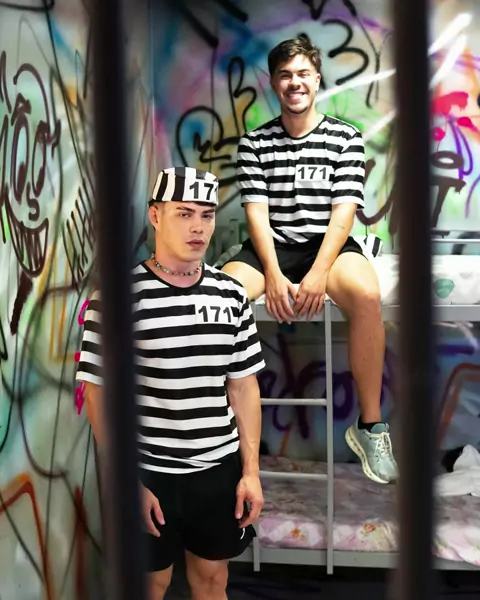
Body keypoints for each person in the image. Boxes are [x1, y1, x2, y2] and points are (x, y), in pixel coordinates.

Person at [76, 167, 265, 600]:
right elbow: (98, 395)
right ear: (156, 216)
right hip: (150, 469)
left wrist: (251, 472)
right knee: (149, 583)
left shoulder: (231, 295)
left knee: (212, 580)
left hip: (218, 469)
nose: (198, 227)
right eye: (184, 213)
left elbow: (243, 387)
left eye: (206, 214)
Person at [221, 34, 398, 485]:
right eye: (284, 75)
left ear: (317, 80)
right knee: (221, 298)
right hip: (272, 247)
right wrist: (273, 274)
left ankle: (370, 426)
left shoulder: (345, 138)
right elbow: (257, 216)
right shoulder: (255, 143)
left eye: (302, 73)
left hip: (329, 247)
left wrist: (318, 273)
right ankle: (216, 429)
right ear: (274, 83)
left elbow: (344, 214)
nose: (294, 82)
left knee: (367, 296)